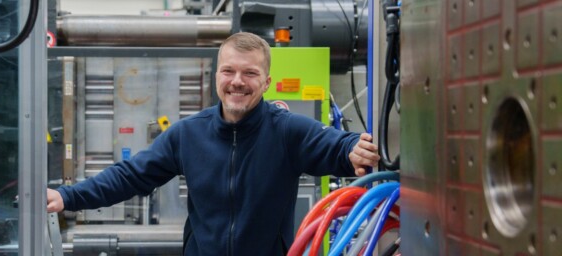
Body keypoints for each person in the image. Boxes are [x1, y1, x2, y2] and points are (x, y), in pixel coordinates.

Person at [46, 32, 380, 255]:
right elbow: (130, 176)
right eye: (228, 71)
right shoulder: (188, 134)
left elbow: (337, 145)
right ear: (217, 76)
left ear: (267, 82)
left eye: (249, 73)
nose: (237, 81)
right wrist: (67, 196)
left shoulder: (287, 131)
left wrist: (354, 147)